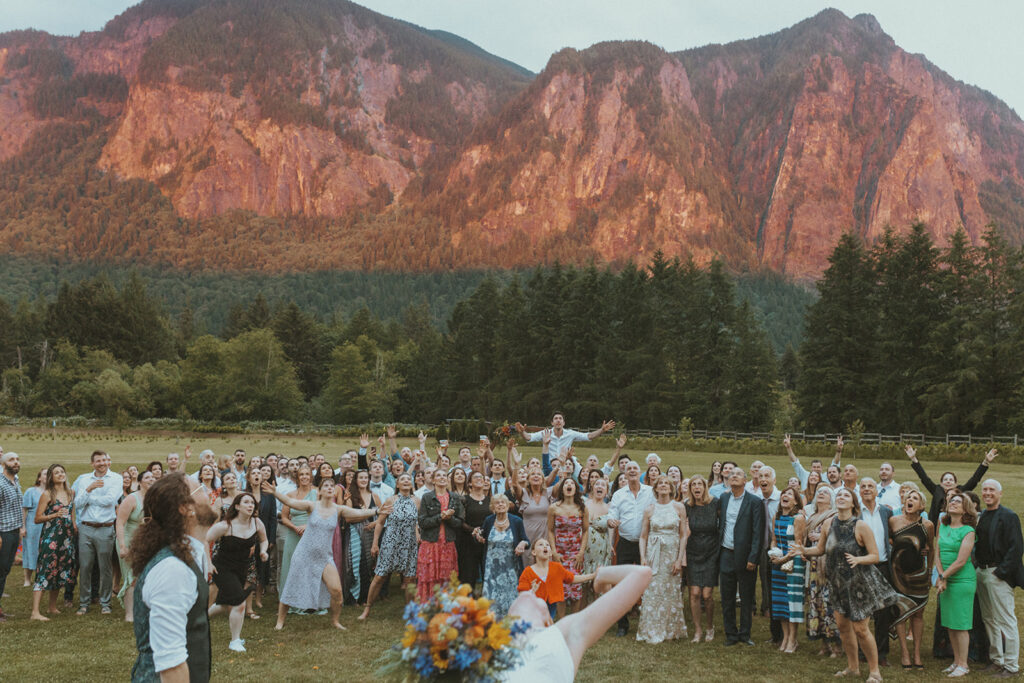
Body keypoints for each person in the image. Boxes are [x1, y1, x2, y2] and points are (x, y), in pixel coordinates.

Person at [797, 488, 897, 683]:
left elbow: (875, 555)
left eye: (846, 495)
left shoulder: (860, 526)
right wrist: (803, 550)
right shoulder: (828, 523)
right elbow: (820, 549)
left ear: (853, 503)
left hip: (859, 585)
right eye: (839, 495)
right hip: (836, 584)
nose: (841, 497)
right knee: (843, 628)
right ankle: (853, 668)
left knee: (861, 629)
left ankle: (875, 671)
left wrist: (859, 560)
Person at [264, 475, 385, 630]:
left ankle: (335, 621)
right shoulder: (311, 505)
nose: (329, 488)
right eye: (326, 486)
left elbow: (359, 513)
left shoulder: (338, 509)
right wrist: (275, 493)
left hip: (324, 557)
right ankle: (280, 621)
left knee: (336, 591)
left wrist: (377, 510)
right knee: (291, 587)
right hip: (304, 554)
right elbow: (290, 502)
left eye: (331, 486)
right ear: (319, 491)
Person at [504, 564, 652, 681]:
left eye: (538, 599)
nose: (530, 594)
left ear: (548, 623)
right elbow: (641, 574)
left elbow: (642, 574)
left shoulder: (562, 634)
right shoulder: (488, 638)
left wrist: (600, 575)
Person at [129, 473, 211, 683]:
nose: (209, 493)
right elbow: (171, 664)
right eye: (200, 489)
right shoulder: (172, 569)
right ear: (186, 508)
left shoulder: (189, 555)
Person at [206, 492, 268, 652]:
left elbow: (264, 539)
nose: (250, 505)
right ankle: (235, 641)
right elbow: (205, 540)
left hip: (241, 568)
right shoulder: (226, 525)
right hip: (222, 568)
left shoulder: (256, 522)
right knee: (239, 603)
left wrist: (264, 551)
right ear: (237, 506)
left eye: (252, 503)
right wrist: (207, 563)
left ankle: (198, 619)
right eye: (246, 502)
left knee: (225, 604)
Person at [975, 479, 1024, 678]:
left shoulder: (1009, 516)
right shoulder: (983, 515)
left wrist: (1000, 573)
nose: (987, 493)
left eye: (992, 490)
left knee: (1006, 620)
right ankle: (997, 660)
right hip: (981, 572)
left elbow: (1016, 549)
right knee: (989, 618)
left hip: (998, 574)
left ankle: (1012, 666)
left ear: (1000, 493)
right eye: (985, 489)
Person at [359, 473, 420, 620]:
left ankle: (409, 612)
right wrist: (375, 543)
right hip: (390, 542)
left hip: (409, 544)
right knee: (380, 576)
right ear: (397, 485)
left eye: (408, 480)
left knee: (410, 578)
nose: (406, 481)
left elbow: (417, 521)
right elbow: (380, 523)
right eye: (402, 480)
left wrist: (417, 533)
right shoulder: (390, 500)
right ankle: (367, 609)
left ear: (411, 485)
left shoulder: (417, 501)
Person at [636, 475, 688, 644]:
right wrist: (643, 557)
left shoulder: (679, 507)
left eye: (667, 483)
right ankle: (651, 629)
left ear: (672, 488)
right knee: (653, 591)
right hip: (654, 554)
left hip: (672, 553)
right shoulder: (649, 509)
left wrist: (679, 559)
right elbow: (643, 536)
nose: (664, 486)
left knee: (670, 591)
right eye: (661, 484)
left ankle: (671, 630)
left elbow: (683, 535)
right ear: (656, 488)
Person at [607, 460, 655, 637]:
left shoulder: (650, 492)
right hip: (626, 542)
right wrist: (610, 521)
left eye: (635, 468)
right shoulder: (619, 495)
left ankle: (648, 620)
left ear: (640, 472)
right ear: (625, 474)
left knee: (648, 582)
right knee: (622, 583)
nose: (632, 471)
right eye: (629, 469)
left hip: (647, 544)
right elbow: (612, 514)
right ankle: (622, 624)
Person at [72, 450, 122, 615]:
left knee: (105, 567)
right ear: (92, 463)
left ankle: (105, 603)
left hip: (105, 527)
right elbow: (77, 504)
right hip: (86, 527)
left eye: (103, 460)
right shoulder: (85, 479)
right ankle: (84, 603)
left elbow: (110, 500)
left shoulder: (116, 478)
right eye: (98, 461)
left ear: (108, 461)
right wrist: (89, 488)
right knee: (85, 566)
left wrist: (89, 499)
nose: (101, 463)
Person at [717, 468, 764, 647]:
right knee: (727, 596)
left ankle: (745, 634)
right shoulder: (723, 499)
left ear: (745, 481)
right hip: (726, 553)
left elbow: (757, 532)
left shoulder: (754, 502)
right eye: (731, 475)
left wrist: (753, 557)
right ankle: (730, 633)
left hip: (745, 556)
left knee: (746, 596)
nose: (733, 476)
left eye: (738, 474)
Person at [889, 489, 934, 669]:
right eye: (908, 497)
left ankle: (916, 653)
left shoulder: (927, 525)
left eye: (914, 498)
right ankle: (904, 653)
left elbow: (931, 547)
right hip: (898, 575)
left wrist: (930, 572)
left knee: (918, 613)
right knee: (901, 612)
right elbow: (890, 540)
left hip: (919, 575)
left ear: (921, 506)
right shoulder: (893, 521)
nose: (910, 500)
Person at [936, 490, 978, 678]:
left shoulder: (968, 531)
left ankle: (964, 664)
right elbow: (936, 551)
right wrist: (939, 575)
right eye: (951, 500)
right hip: (944, 578)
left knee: (960, 624)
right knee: (950, 623)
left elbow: (962, 560)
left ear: (965, 509)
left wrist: (944, 576)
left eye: (958, 502)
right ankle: (955, 661)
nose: (953, 503)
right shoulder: (943, 525)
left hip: (962, 580)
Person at [904, 445, 994, 528]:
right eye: (945, 479)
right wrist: (913, 458)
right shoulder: (936, 490)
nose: (948, 481)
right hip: (936, 525)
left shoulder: (960, 491)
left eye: (951, 480)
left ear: (955, 483)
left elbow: (975, 479)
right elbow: (923, 477)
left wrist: (985, 462)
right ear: (941, 483)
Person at [30, 463, 77, 621]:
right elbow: (37, 518)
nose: (60, 474)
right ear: (51, 477)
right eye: (56, 472)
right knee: (45, 571)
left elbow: (72, 514)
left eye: (62, 471)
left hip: (66, 538)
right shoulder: (48, 494)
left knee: (60, 571)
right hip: (51, 538)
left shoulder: (71, 493)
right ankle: (35, 612)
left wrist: (74, 527)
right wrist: (54, 515)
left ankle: (52, 607)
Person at [859, 477, 894, 666]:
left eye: (870, 486)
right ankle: (862, 651)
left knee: (883, 612)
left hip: (882, 567)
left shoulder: (886, 512)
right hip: (862, 566)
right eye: (863, 486)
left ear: (876, 490)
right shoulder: (856, 513)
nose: (866, 489)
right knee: (862, 610)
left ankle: (881, 653)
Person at [477, 493, 529, 619]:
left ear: (508, 505)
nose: (500, 504)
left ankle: (512, 624)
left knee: (511, 597)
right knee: (491, 599)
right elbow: (482, 538)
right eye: (497, 502)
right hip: (491, 569)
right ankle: (493, 626)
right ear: (492, 506)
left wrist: (522, 543)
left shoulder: (516, 521)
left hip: (511, 569)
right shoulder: (489, 520)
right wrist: (477, 536)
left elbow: (526, 541)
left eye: (503, 502)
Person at [516, 412, 615, 476]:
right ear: (552, 423)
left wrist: (602, 430)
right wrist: (521, 432)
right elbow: (528, 437)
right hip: (550, 466)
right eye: (556, 418)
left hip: (567, 465)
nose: (558, 420)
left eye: (560, 418)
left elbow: (588, 436)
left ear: (563, 423)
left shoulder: (570, 433)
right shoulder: (545, 433)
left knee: (584, 475)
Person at [417, 469, 464, 602]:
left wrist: (449, 518)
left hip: (447, 543)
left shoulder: (455, 497)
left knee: (447, 576)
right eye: (438, 475)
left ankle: (445, 606)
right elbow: (422, 522)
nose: (442, 477)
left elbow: (460, 522)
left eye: (444, 475)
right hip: (430, 543)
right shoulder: (427, 497)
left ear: (448, 480)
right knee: (429, 577)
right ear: (433, 480)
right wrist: (440, 517)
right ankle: (428, 605)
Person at [517, 538, 595, 619]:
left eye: (547, 545)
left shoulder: (557, 567)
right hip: (533, 608)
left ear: (550, 553)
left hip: (551, 606)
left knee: (548, 625)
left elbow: (572, 578)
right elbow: (521, 595)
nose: (545, 546)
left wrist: (593, 575)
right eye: (541, 544)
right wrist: (531, 591)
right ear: (533, 552)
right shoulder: (527, 572)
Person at [769, 486, 806, 654]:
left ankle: (793, 638)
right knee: (781, 601)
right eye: (784, 493)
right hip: (778, 563)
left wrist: (783, 559)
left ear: (796, 501)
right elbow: (774, 539)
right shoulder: (776, 516)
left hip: (794, 563)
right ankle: (785, 636)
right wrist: (773, 553)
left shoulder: (798, 518)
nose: (785, 495)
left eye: (790, 494)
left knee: (792, 602)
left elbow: (798, 544)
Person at [116, 470, 156, 622]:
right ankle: (129, 614)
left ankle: (144, 609)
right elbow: (120, 522)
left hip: (147, 542)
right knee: (132, 577)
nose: (151, 479)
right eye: (147, 477)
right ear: (139, 482)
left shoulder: (155, 499)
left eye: (153, 477)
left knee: (146, 576)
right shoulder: (132, 499)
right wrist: (122, 546)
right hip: (128, 541)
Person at [804, 486, 839, 657]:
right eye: (819, 493)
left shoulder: (834, 516)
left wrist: (820, 538)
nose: (821, 494)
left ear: (831, 499)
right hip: (813, 565)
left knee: (829, 604)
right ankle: (824, 644)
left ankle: (837, 646)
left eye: (825, 493)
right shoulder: (812, 517)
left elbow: (838, 538)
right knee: (816, 602)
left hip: (828, 565)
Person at [683, 475, 719, 642]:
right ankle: (698, 630)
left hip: (711, 552)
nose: (696, 487)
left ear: (705, 487)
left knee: (707, 594)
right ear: (690, 489)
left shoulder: (715, 503)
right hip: (693, 552)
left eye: (699, 484)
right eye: (693, 485)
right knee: (695, 592)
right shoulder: (687, 506)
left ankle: (710, 627)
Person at [547, 476, 588, 617]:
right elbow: (550, 530)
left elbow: (586, 530)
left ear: (576, 489)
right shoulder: (554, 508)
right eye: (566, 484)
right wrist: (553, 551)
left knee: (576, 589)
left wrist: (581, 552)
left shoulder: (582, 508)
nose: (569, 486)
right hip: (560, 553)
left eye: (572, 483)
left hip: (576, 553)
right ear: (562, 489)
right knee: (561, 588)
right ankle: (562, 620)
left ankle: (574, 621)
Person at [345, 469, 382, 605]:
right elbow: (348, 518)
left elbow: (383, 514)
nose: (364, 480)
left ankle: (366, 596)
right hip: (355, 533)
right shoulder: (350, 496)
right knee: (355, 563)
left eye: (366, 478)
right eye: (361, 477)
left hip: (371, 533)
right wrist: (369, 514)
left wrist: (374, 522)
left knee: (369, 563)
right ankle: (355, 597)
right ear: (356, 480)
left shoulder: (374, 496)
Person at [279, 464, 315, 592]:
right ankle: (291, 598)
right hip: (293, 533)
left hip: (312, 532)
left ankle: (309, 599)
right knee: (292, 564)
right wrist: (294, 527)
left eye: (307, 474)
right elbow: (284, 517)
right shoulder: (290, 495)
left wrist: (308, 525)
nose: (304, 477)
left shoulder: (318, 493)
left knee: (310, 565)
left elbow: (323, 514)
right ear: (298, 477)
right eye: (301, 474)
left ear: (311, 476)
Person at [458, 471, 491, 589]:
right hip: (468, 542)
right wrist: (474, 530)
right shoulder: (464, 499)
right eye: (475, 477)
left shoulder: (489, 500)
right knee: (468, 576)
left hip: (486, 542)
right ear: (470, 483)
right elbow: (460, 521)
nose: (479, 479)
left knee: (488, 574)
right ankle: (467, 604)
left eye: (481, 477)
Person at [582, 477, 611, 605]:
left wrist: (611, 545)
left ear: (606, 491)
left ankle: (599, 611)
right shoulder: (584, 504)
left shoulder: (609, 508)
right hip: (585, 547)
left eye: (603, 485)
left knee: (599, 582)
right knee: (583, 582)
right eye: (597, 484)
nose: (600, 487)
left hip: (601, 549)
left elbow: (611, 529)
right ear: (592, 489)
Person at [518, 468, 551, 565]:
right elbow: (515, 485)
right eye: (532, 474)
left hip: (544, 533)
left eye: (539, 474)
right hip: (528, 534)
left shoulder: (548, 492)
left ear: (543, 479)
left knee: (544, 561)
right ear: (528, 479)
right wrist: (516, 466)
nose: (536, 476)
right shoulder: (524, 493)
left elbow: (560, 486)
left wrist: (560, 467)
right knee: (528, 561)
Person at [22, 467, 47, 587]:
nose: (48, 476)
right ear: (39, 478)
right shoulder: (31, 491)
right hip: (33, 525)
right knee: (30, 551)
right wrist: (23, 527)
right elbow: (24, 510)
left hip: (47, 526)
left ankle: (41, 577)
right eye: (45, 474)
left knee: (44, 551)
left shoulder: (53, 492)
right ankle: (27, 578)